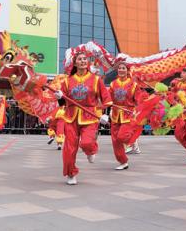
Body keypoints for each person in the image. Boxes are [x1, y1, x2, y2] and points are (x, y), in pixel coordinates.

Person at [56, 49, 112, 185]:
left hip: (90, 116)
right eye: (79, 59)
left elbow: (106, 98)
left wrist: (105, 113)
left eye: (84, 59)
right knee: (69, 148)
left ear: (87, 62)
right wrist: (59, 97)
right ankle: (71, 173)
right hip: (71, 117)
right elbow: (63, 101)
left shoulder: (96, 79)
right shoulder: (67, 81)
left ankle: (91, 150)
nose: (82, 61)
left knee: (86, 142)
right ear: (75, 63)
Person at [107, 60, 147, 170]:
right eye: (119, 68)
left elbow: (139, 99)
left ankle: (133, 140)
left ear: (127, 70)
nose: (121, 70)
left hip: (128, 114)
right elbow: (108, 98)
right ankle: (123, 161)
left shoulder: (133, 85)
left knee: (121, 136)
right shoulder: (112, 84)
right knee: (115, 141)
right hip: (115, 114)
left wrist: (138, 110)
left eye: (123, 68)